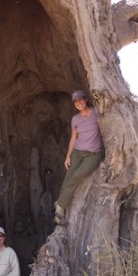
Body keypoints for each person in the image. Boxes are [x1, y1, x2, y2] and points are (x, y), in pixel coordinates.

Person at [55, 90, 104, 224]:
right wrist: (68, 156)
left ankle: (59, 206)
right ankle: (59, 208)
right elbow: (73, 139)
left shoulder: (96, 113)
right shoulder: (75, 119)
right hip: (78, 152)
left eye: (80, 100)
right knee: (68, 177)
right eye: (76, 102)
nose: (79, 103)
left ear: (85, 100)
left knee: (77, 175)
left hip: (93, 154)